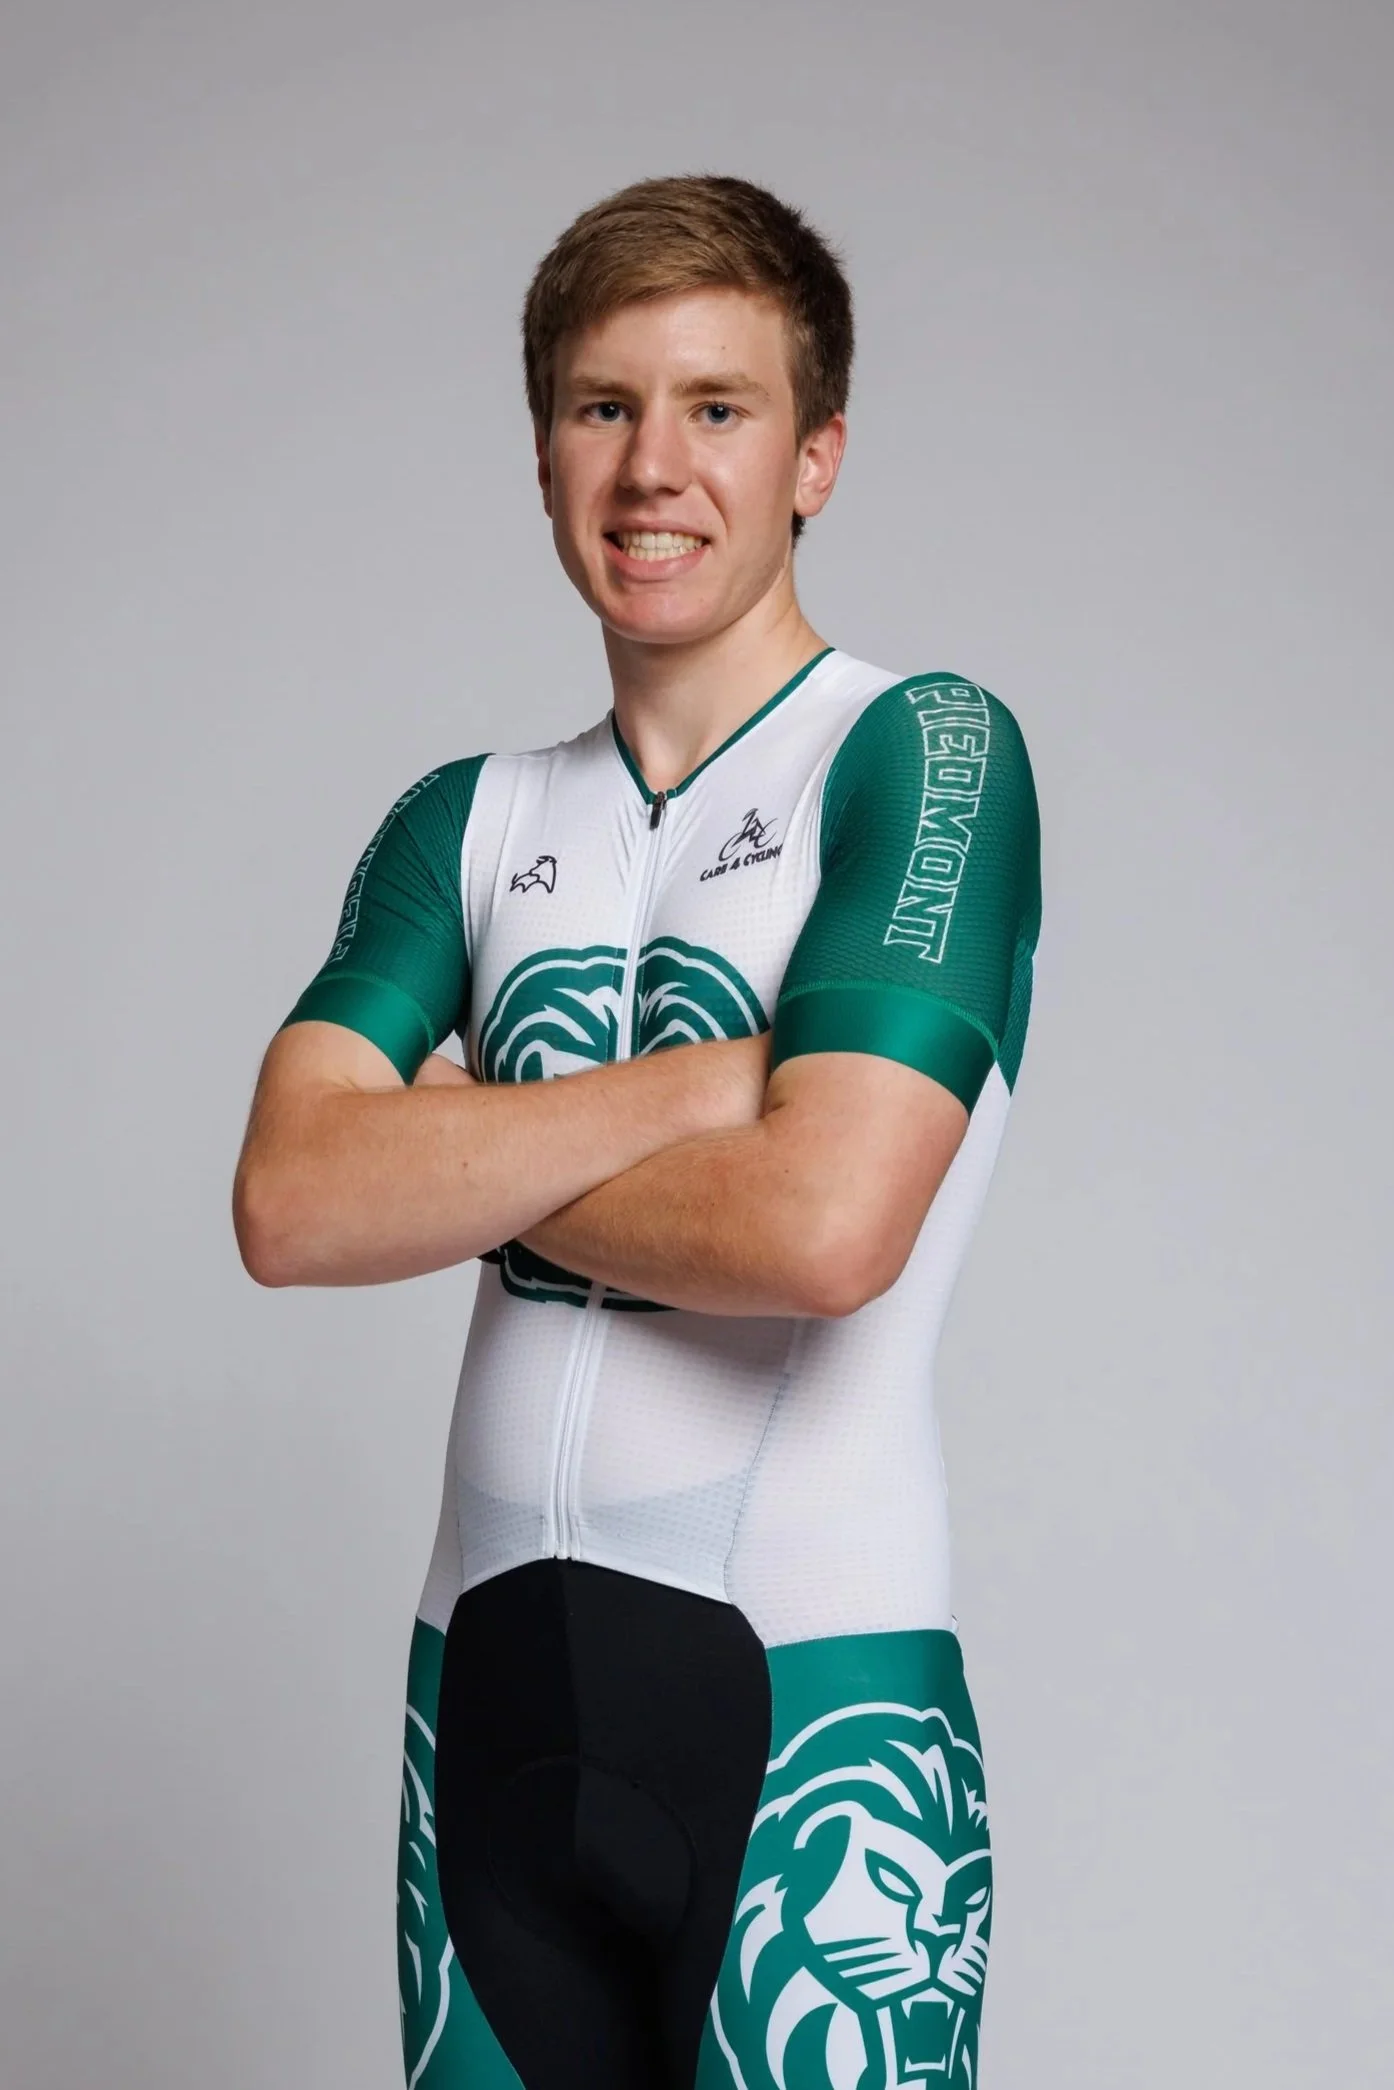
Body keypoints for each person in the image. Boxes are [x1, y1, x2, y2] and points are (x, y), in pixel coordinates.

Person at [234, 174, 1040, 2090]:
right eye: (603, 407)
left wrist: (467, 1151)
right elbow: (288, 1199)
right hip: (482, 1713)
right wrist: (710, 1086)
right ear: (540, 458)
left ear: (815, 454)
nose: (652, 466)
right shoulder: (471, 819)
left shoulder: (919, 754)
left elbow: (825, 1226)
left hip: (812, 1725)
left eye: (717, 406)